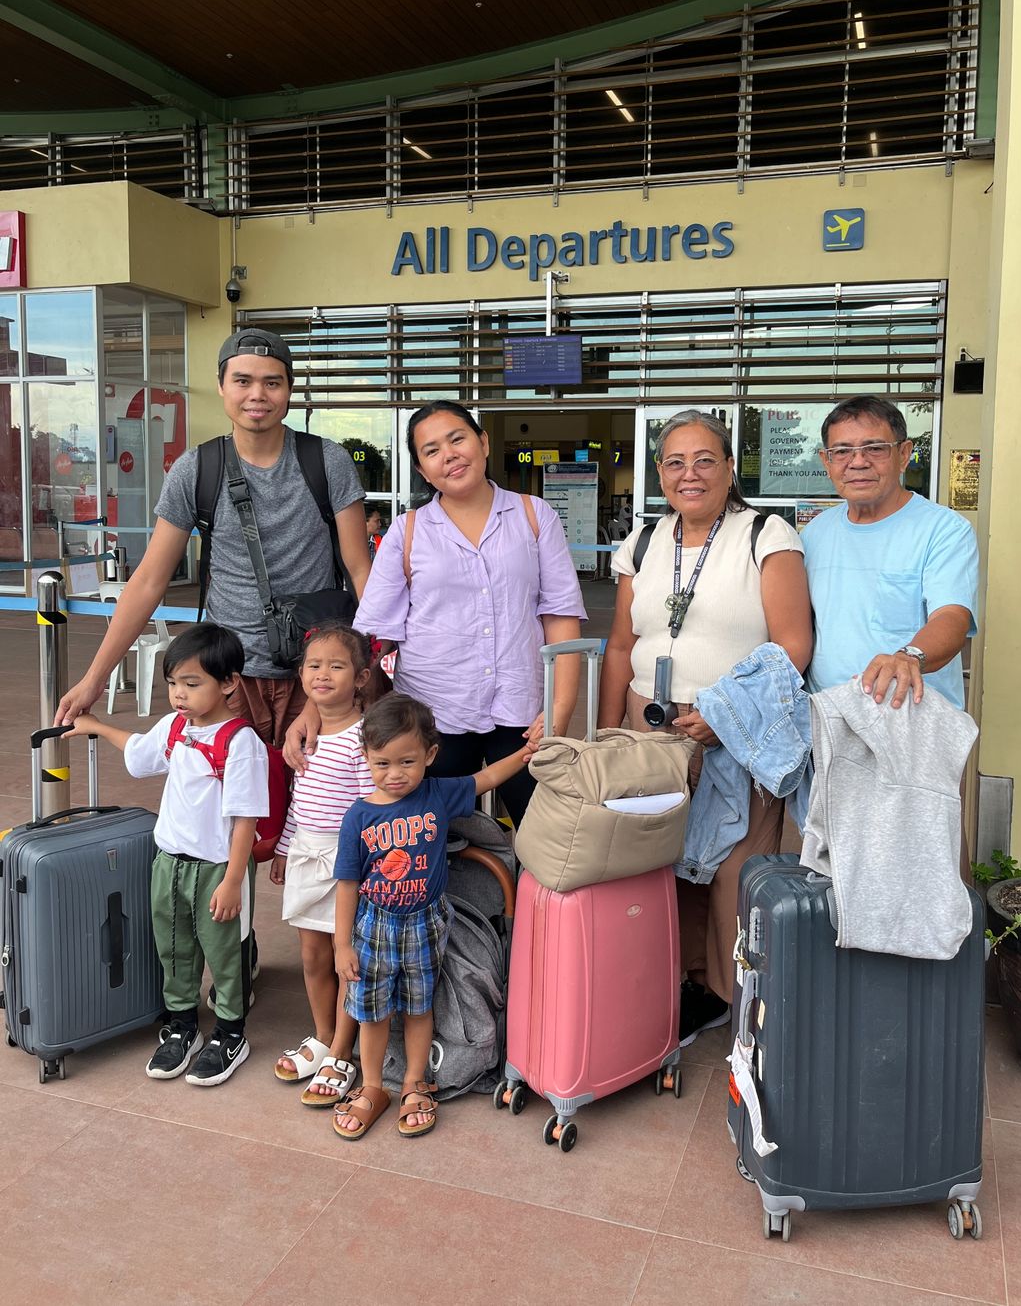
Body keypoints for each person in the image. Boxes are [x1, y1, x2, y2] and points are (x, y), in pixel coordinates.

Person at [597, 409, 812, 1046]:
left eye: (704, 460)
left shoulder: (765, 535)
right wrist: (608, 735)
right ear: (659, 473)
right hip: (649, 725)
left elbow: (792, 646)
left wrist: (725, 715)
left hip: (732, 727)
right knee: (659, 858)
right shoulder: (642, 543)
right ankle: (680, 983)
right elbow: (618, 646)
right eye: (674, 462)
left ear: (728, 468)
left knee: (732, 867)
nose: (689, 474)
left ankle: (733, 993)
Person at [55, 328, 372, 748]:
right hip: (227, 676)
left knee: (317, 806)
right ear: (222, 387)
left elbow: (360, 568)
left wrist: (365, 664)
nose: (257, 394)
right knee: (229, 806)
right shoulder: (197, 469)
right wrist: (94, 679)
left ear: (289, 390)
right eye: (242, 381)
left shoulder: (327, 460)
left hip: (316, 675)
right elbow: (150, 579)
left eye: (272, 382)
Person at [290, 400, 586, 824]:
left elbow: (559, 617)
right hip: (431, 715)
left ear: (482, 443)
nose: (449, 455)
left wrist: (560, 707)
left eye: (457, 438)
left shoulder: (534, 516)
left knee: (539, 832)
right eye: (431, 450)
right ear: (423, 470)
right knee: (429, 835)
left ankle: (523, 893)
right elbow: (370, 639)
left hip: (522, 709)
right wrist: (314, 706)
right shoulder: (407, 532)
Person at [65, 624, 268, 1086]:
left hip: (218, 868)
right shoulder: (176, 727)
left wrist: (234, 880)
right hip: (169, 863)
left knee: (224, 952)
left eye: (192, 684)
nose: (179, 694)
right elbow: (139, 753)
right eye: (173, 683)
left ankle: (231, 1033)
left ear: (229, 682)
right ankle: (181, 1026)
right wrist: (95, 724)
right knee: (173, 948)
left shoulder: (240, 743)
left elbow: (247, 819)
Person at [331, 693, 530, 1139]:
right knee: (373, 1013)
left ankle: (414, 1083)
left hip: (427, 922)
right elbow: (346, 885)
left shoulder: (438, 793)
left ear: (430, 756)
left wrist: (526, 751)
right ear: (365, 757)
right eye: (382, 763)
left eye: (407, 762)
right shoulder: (358, 817)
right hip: (374, 926)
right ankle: (370, 1087)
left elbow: (488, 776)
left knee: (421, 1006)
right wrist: (342, 943)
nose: (395, 774)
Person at [802, 395, 978, 711]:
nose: (857, 462)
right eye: (841, 451)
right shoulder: (815, 533)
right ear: (826, 461)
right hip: (826, 719)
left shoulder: (944, 529)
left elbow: (952, 617)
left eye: (875, 448)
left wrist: (909, 657)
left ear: (904, 454)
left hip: (909, 721)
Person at [270, 624, 383, 1109]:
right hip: (306, 855)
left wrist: (366, 866)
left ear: (360, 678)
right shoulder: (304, 735)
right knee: (313, 957)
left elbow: (369, 807)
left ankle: (342, 1050)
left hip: (347, 866)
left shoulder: (364, 738)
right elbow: (301, 800)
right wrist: (283, 846)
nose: (323, 675)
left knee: (345, 961)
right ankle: (321, 1036)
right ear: (301, 675)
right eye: (314, 666)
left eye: (336, 666)